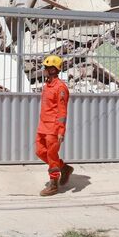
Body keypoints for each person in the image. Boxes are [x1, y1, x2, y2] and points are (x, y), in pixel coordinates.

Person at [35, 55, 73, 197]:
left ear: (53, 70)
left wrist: (60, 131)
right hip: (42, 126)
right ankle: (63, 167)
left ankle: (53, 184)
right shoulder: (47, 86)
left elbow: (62, 111)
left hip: (53, 128)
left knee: (51, 155)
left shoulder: (60, 88)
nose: (44, 70)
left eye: (46, 67)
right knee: (40, 151)